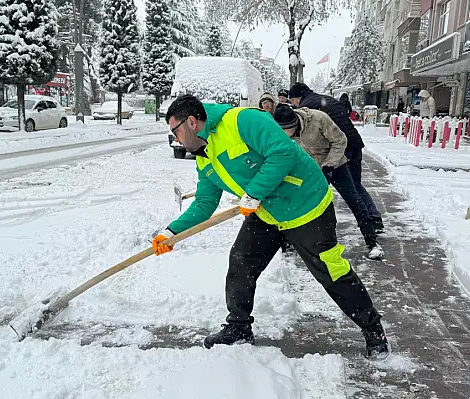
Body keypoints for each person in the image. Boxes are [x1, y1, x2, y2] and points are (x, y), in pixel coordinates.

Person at [152, 94, 389, 359]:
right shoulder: (205, 157)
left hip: (306, 206)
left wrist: (253, 193)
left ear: (192, 122)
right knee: (241, 261)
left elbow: (283, 152)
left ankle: (373, 329)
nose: (176, 138)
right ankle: (239, 327)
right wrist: (172, 233)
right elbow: (205, 202)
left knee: (330, 270)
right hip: (266, 212)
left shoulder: (243, 120)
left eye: (175, 130)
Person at [273, 104, 383, 259]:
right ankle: (291, 241)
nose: (284, 134)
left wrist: (330, 164)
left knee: (354, 200)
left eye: (286, 130)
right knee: (298, 203)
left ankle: (372, 241)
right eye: (280, 130)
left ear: (295, 123)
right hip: (310, 170)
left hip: (336, 165)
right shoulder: (280, 131)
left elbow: (340, 140)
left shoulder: (317, 119)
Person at [289, 82, 385, 233]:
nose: (292, 103)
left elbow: (316, 137)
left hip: (338, 148)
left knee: (319, 189)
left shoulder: (306, 109)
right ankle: (373, 219)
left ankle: (311, 227)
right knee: (356, 186)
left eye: (292, 100)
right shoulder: (325, 99)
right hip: (354, 143)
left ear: (296, 98)